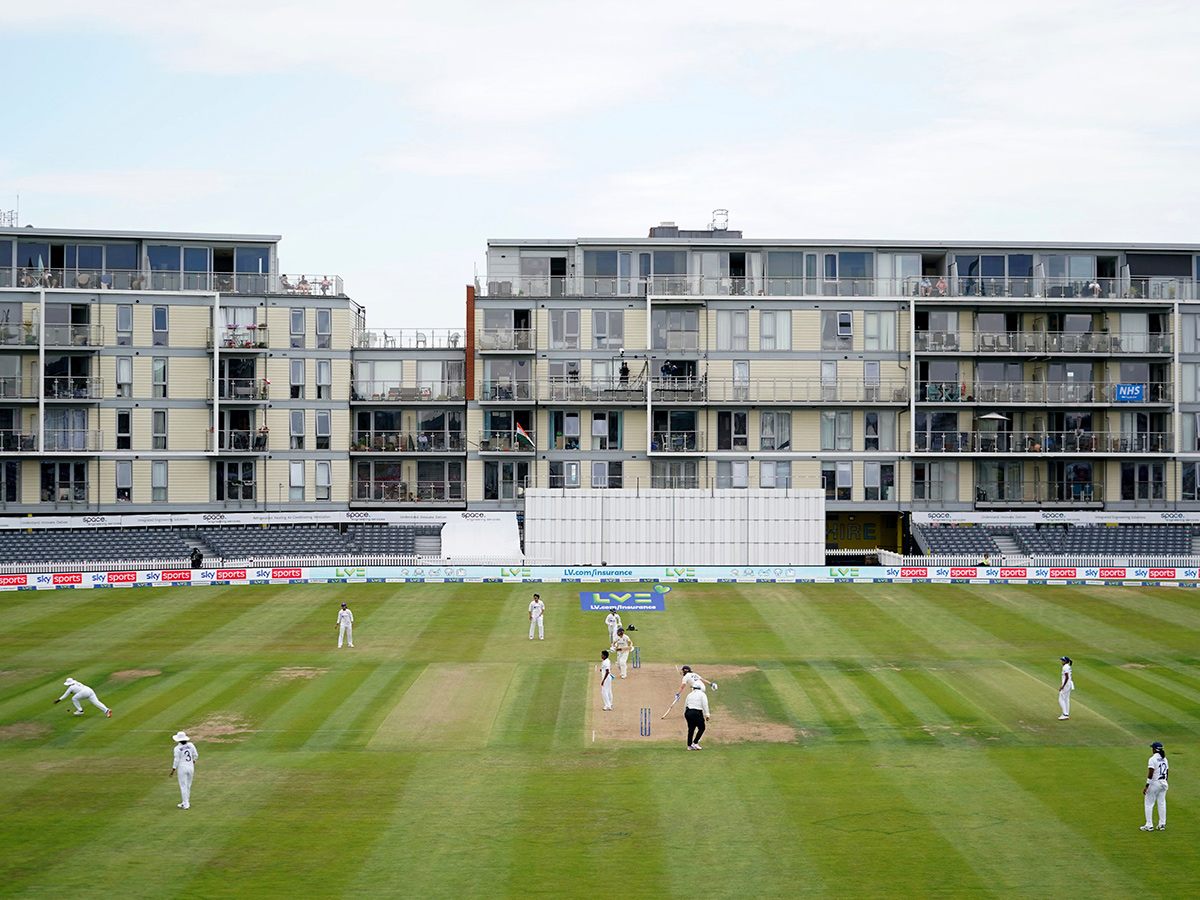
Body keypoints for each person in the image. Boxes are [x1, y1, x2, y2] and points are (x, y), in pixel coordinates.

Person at [1141, 741, 1169, 831]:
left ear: (1154, 750)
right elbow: (1167, 772)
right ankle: (1162, 824)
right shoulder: (1165, 759)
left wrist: (1147, 785)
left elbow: (1151, 773)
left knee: (1149, 804)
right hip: (1163, 783)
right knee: (1161, 803)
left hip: (1155, 783)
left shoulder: (1152, 759)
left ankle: (1149, 825)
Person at [169, 731, 199, 809]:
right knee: (188, 785)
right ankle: (185, 802)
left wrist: (173, 769)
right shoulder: (191, 745)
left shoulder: (177, 748)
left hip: (182, 767)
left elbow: (176, 759)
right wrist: (194, 761)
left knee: (183, 786)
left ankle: (186, 804)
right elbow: (196, 755)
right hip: (190, 767)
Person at [684, 684, 710, 750]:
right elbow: (705, 704)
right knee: (702, 728)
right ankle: (695, 743)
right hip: (697, 712)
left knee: (691, 729)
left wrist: (687, 713)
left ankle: (689, 745)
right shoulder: (702, 694)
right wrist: (707, 715)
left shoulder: (689, 695)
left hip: (688, 712)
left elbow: (686, 704)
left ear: (694, 688)